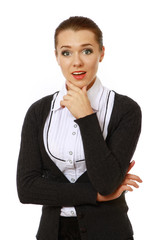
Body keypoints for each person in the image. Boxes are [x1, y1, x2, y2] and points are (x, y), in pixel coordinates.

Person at [17, 16, 142, 240]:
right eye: (66, 52)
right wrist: (95, 195)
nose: (76, 62)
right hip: (51, 234)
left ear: (101, 53)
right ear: (56, 56)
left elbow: (106, 182)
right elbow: (27, 189)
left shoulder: (126, 110)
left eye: (86, 51)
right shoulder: (38, 112)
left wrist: (86, 116)